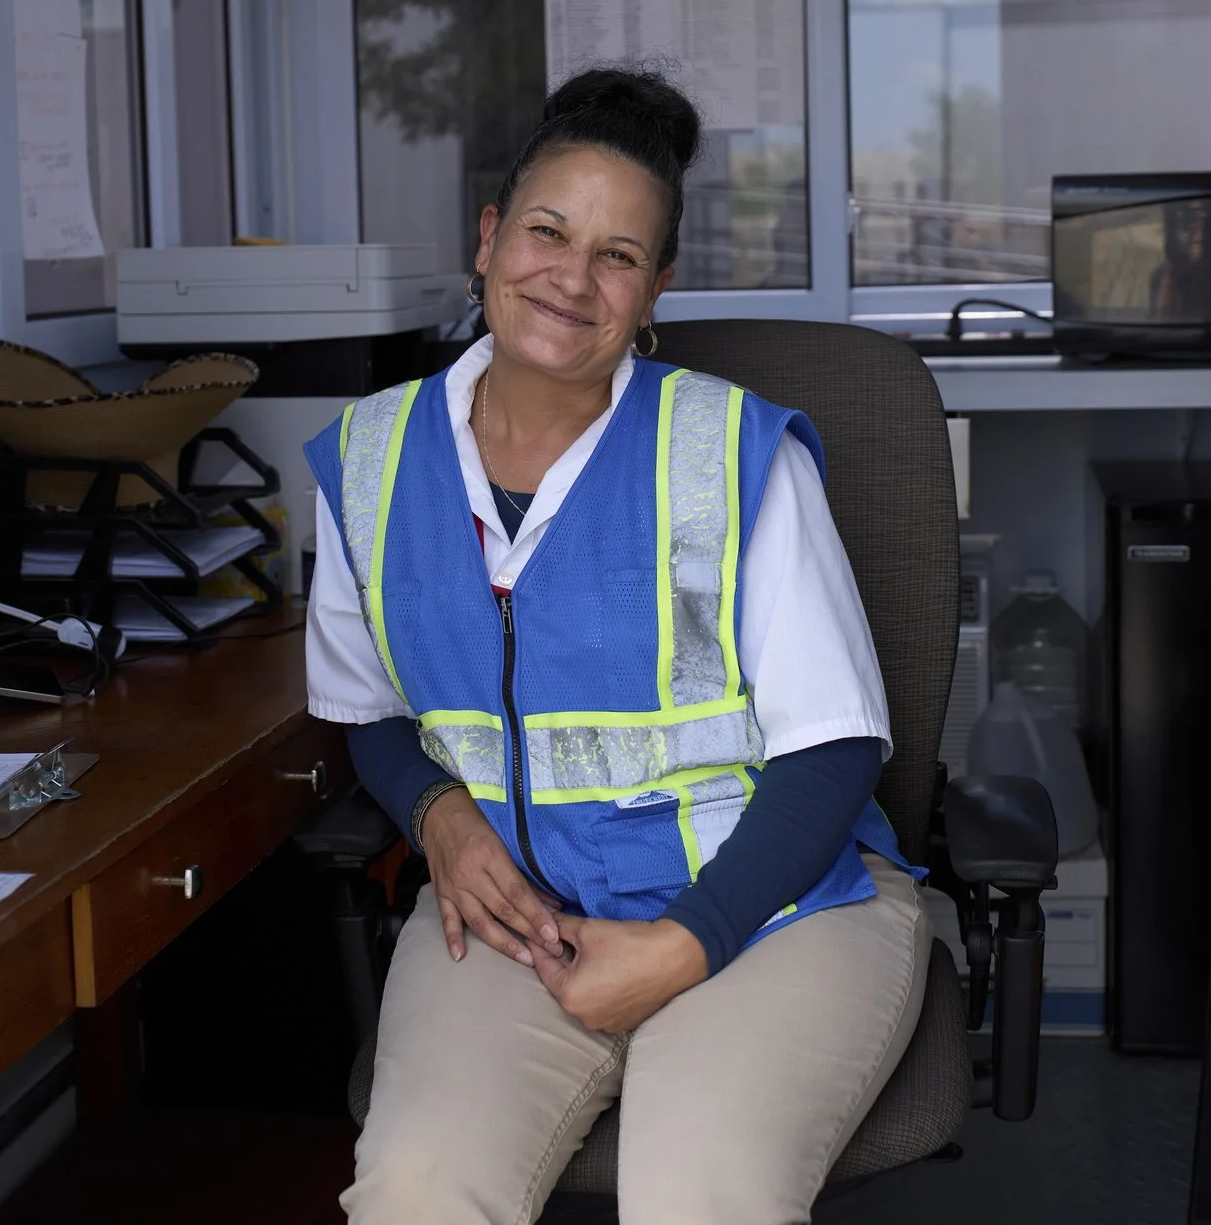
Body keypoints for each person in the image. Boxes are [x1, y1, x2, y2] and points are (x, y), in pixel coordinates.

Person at [304, 68, 929, 1225]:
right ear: (488, 239)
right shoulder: (369, 462)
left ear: (653, 293)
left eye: (618, 255)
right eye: (547, 230)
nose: (571, 277)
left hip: (771, 906)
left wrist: (689, 938)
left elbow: (835, 749)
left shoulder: (733, 454)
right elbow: (371, 711)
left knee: (700, 1197)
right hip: (516, 914)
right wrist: (435, 816)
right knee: (414, 1192)